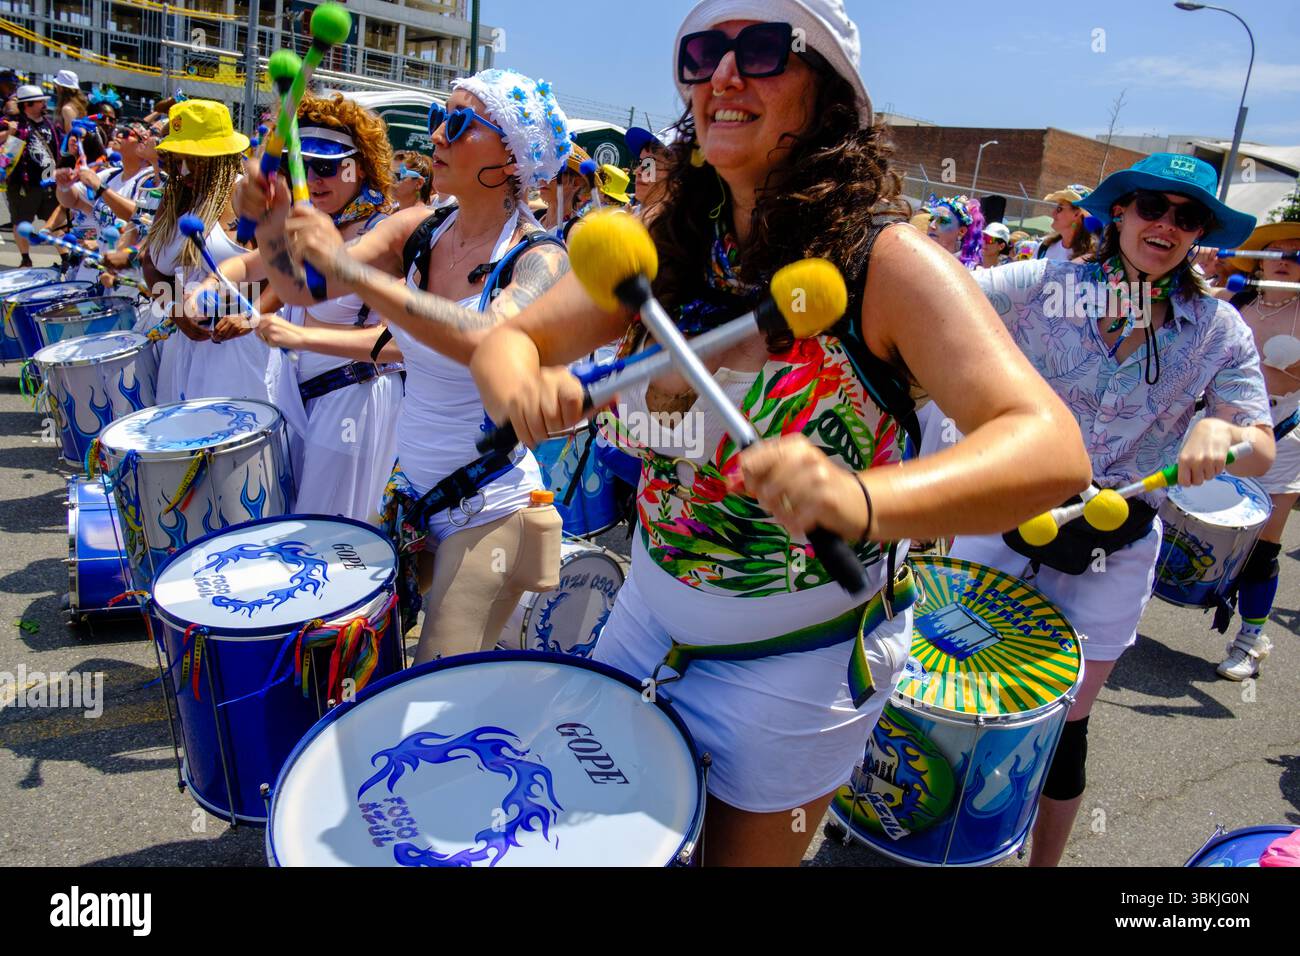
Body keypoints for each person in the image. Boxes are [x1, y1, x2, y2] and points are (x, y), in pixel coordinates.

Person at [467, 0, 1090, 867]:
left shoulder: (889, 263)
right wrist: (519, 386)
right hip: (645, 612)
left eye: (761, 50)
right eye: (701, 53)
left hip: (794, 664)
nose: (723, 74)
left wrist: (860, 499)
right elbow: (514, 339)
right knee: (579, 843)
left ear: (827, 92)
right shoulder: (668, 237)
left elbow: (1050, 445)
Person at [947, 153, 1276, 866]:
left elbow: (1261, 444)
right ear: (1120, 210)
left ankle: (1043, 865)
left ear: (1199, 235)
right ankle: (919, 825)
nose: (1166, 225)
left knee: (1064, 726)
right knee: (958, 691)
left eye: (1186, 217)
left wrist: (1225, 432)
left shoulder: (1218, 330)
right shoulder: (1046, 282)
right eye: (1153, 207)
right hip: (1008, 517)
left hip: (1115, 544)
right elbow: (944, 296)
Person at [236, 67, 572, 664]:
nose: (437, 134)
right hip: (409, 495)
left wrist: (354, 273)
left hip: (489, 510)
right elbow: (303, 287)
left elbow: (487, 339)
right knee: (358, 654)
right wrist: (272, 222)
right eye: (440, 118)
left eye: (460, 123)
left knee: (434, 686)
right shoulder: (420, 228)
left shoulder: (539, 258)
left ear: (512, 157)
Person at [188, 94, 403, 522]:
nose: (315, 179)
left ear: (359, 167)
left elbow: (399, 343)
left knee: (331, 535)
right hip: (296, 393)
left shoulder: (384, 235)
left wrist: (303, 337)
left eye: (328, 166)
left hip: (353, 398)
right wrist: (208, 286)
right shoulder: (309, 225)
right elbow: (245, 263)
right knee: (289, 522)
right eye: (300, 167)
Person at [140, 99, 267, 405]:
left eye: (195, 160)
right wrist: (175, 309)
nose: (184, 170)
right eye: (178, 159)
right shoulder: (176, 197)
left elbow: (284, 267)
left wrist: (253, 315)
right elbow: (151, 264)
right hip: (184, 345)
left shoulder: (247, 194)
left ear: (221, 156)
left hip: (239, 346)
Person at [1215, 219, 1300, 679]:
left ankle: (1250, 639)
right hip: (1219, 428)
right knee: (1176, 521)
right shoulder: (1237, 299)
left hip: (1285, 435)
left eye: (1296, 252)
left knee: (1263, 544)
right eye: (1278, 250)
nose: (1286, 258)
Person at [54, 115, 160, 284]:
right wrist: (64, 186)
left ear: (142, 142)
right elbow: (71, 201)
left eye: (126, 133)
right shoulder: (110, 175)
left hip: (128, 275)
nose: (118, 135)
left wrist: (101, 188)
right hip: (99, 265)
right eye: (119, 131)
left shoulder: (149, 180)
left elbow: (139, 216)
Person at [0, 85, 60, 267]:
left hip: (49, 182)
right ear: (29, 104)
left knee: (57, 221)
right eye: (41, 101)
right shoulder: (13, 123)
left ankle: (66, 258)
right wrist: (10, 132)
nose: (44, 104)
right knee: (21, 222)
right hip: (22, 184)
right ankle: (25, 258)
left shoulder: (49, 123)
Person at [538, 142, 593, 236]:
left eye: (553, 173)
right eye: (541, 171)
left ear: (576, 183)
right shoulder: (535, 216)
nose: (543, 179)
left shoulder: (577, 231)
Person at [1037, 183, 1095, 262]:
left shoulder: (1091, 258)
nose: (1053, 213)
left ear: (1077, 214)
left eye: (1059, 208)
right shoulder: (1044, 248)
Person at [925, 193, 983, 268]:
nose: (932, 226)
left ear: (961, 231)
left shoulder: (970, 271)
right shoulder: (915, 257)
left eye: (943, 221)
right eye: (931, 219)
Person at [626, 125, 673, 214]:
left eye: (650, 164)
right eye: (640, 162)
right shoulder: (625, 217)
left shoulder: (682, 226)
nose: (638, 171)